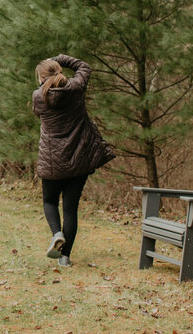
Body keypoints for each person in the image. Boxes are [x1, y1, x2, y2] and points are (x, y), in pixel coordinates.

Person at [32, 54, 115, 267]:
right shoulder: (76, 88)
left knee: (49, 201)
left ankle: (56, 233)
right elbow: (83, 66)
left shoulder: (38, 97)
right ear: (59, 72)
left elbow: (38, 115)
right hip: (79, 161)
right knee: (70, 209)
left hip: (52, 162)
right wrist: (59, 58)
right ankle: (65, 258)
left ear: (41, 78)